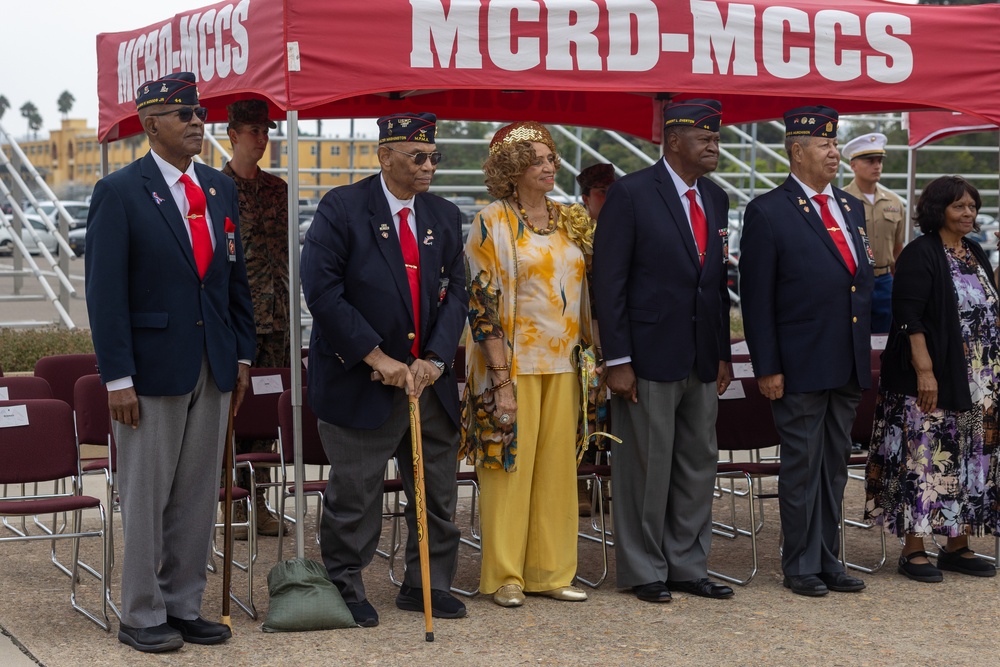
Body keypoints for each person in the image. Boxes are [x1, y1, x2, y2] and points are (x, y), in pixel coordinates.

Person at [85, 72, 256, 652]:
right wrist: (118, 378)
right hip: (150, 373)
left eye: (199, 115)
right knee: (147, 495)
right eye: (183, 115)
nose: (196, 124)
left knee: (196, 495)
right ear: (150, 123)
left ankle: (183, 605)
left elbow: (234, 280)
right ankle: (140, 613)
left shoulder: (218, 188)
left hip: (212, 364)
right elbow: (105, 296)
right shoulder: (121, 191)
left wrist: (243, 356)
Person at [300, 112, 468, 628]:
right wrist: (378, 357)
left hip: (427, 383)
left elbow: (457, 291)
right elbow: (323, 293)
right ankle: (346, 583)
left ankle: (428, 584)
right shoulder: (344, 208)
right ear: (384, 155)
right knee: (356, 492)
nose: (428, 166)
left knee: (436, 489)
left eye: (434, 157)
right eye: (417, 156)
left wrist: (436, 360)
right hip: (362, 380)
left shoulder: (443, 214)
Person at [592, 99, 734, 604]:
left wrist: (722, 354)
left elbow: (715, 283)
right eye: (705, 138)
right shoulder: (631, 194)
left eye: (716, 137)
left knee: (698, 463)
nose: (715, 145)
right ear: (674, 141)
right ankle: (644, 567)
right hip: (647, 356)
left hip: (700, 355)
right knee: (646, 469)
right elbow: (608, 284)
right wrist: (618, 360)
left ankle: (686, 565)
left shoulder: (715, 198)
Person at [739, 105, 873, 597]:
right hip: (797, 365)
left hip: (847, 362)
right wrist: (767, 366)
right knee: (801, 467)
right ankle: (799, 564)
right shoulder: (768, 210)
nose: (835, 153)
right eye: (824, 146)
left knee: (834, 468)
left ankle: (828, 559)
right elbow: (757, 300)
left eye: (836, 144)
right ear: (797, 151)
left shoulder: (852, 207)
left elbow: (857, 285)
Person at [462, 121, 595, 608]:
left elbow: (591, 295)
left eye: (552, 157)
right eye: (537, 158)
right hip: (509, 368)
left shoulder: (571, 219)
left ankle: (551, 571)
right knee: (507, 468)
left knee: (558, 470)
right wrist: (500, 380)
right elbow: (482, 304)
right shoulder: (491, 221)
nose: (549, 164)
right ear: (512, 167)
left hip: (564, 365)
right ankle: (505, 575)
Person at [865, 175, 999, 582]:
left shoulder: (974, 251)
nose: (968, 213)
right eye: (960, 206)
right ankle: (913, 550)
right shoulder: (920, 254)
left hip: (980, 379)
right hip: (932, 379)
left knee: (969, 458)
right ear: (938, 209)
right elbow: (909, 318)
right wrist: (925, 372)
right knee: (925, 458)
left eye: (972, 207)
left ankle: (958, 546)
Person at [220, 98, 289, 538]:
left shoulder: (277, 189)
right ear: (233, 135)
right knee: (229, 412)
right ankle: (227, 502)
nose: (261, 140)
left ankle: (258, 502)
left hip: (277, 318)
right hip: (236, 320)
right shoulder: (215, 187)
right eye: (253, 132)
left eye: (266, 132)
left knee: (265, 414)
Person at [574, 162, 617, 515]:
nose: (610, 198)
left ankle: (609, 482)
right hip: (582, 338)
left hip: (616, 334)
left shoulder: (628, 227)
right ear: (586, 198)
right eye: (603, 192)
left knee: (611, 412)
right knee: (586, 411)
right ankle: (580, 483)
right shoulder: (576, 234)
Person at [842, 132, 905, 333]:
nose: (876, 166)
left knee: (886, 339)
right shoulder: (839, 201)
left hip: (885, 280)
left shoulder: (894, 202)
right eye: (869, 161)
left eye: (879, 161)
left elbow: (898, 247)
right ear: (853, 165)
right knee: (851, 337)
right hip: (853, 280)